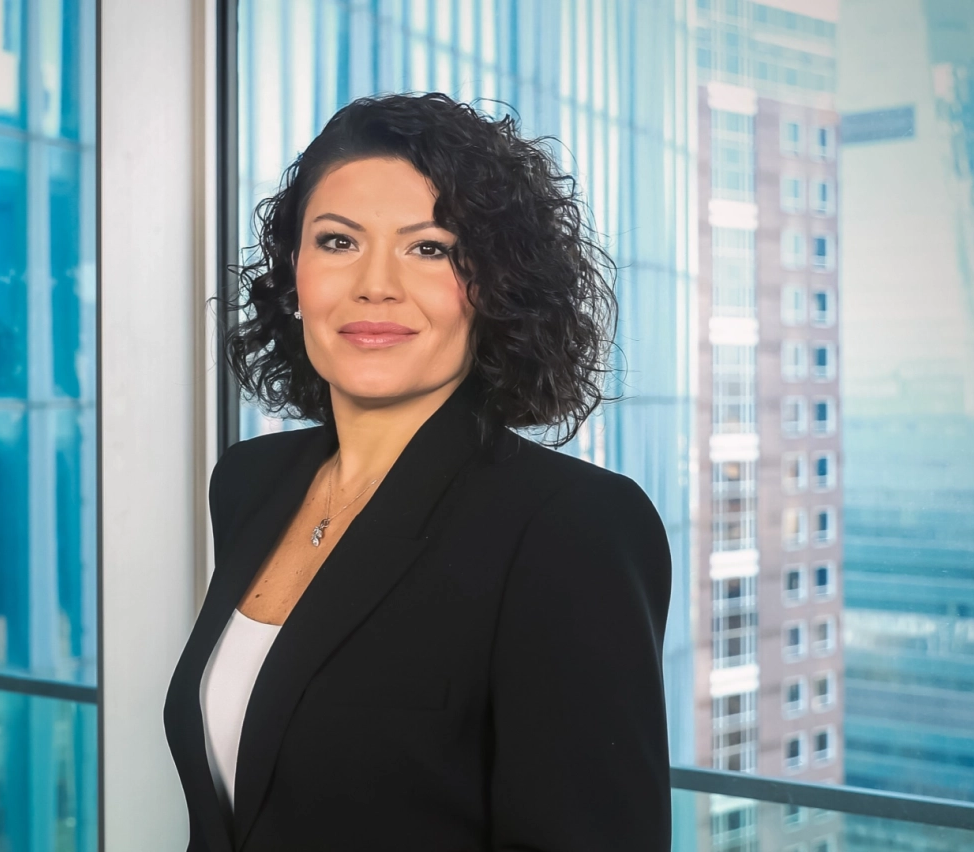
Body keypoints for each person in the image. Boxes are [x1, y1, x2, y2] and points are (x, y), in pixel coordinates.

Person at [163, 92, 672, 852]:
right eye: (338, 241)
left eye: (429, 248)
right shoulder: (248, 482)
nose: (375, 284)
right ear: (294, 273)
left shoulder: (571, 527)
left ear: (494, 287)